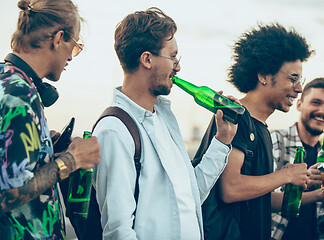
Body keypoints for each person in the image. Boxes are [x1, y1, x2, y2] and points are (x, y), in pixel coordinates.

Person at [92, 7, 237, 240]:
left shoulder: (163, 119)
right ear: (147, 59)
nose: (177, 67)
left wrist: (222, 141)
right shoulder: (115, 130)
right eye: (172, 56)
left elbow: (190, 196)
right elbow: (118, 232)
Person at [199, 23, 314, 240]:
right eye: (293, 78)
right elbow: (231, 189)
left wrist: (317, 192)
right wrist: (285, 175)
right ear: (263, 75)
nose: (299, 89)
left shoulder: (260, 128)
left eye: (301, 80)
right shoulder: (235, 119)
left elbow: (259, 199)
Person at [0, 0, 100, 239]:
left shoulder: (9, 79)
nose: (72, 58)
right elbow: (9, 194)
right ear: (58, 38)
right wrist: (71, 160)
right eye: (75, 47)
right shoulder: (19, 96)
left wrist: (44, 152)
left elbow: (13, 167)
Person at [271, 78, 324, 240]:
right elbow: (262, 200)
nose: (323, 111)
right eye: (316, 102)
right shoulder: (276, 140)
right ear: (299, 104)